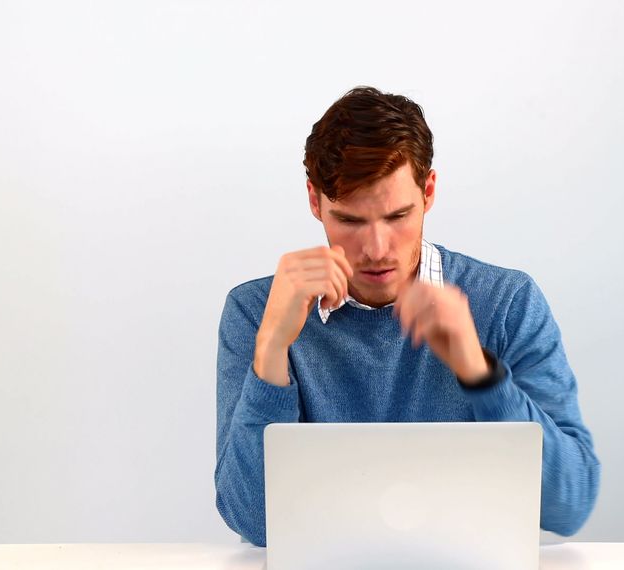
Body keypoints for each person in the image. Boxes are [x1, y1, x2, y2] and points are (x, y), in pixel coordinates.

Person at [214, 86, 600, 547]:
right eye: (350, 221)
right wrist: (271, 349)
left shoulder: (507, 301)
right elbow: (251, 521)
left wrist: (479, 374)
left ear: (429, 191)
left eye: (398, 215)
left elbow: (569, 505)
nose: (376, 250)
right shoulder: (256, 311)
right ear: (315, 202)